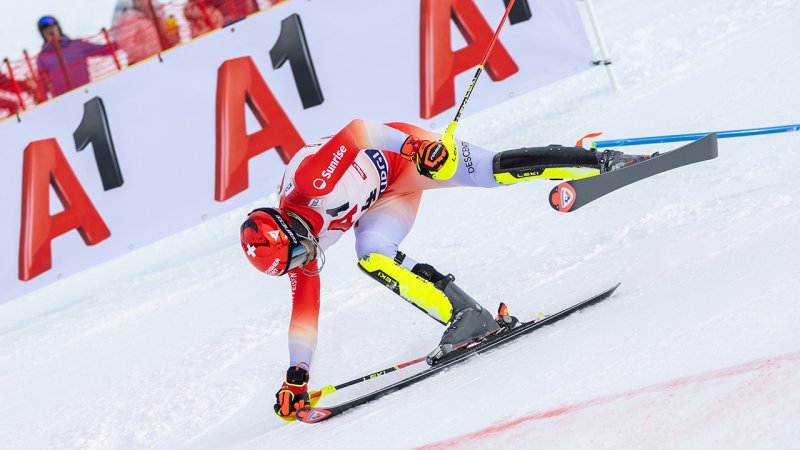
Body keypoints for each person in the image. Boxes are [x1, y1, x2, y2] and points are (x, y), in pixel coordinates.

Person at [238, 120, 650, 420]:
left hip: (404, 155)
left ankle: (603, 161)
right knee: (372, 254)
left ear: (290, 228)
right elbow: (304, 310)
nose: (306, 261)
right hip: (384, 199)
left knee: (488, 172)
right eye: (294, 264)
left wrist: (415, 145)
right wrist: (296, 376)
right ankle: (466, 316)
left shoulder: (310, 183)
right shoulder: (302, 248)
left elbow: (359, 131)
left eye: (298, 255)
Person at [35, 16, 116, 96]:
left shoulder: (76, 45)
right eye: (46, 31)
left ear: (58, 28)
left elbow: (103, 49)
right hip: (63, 100)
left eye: (52, 28)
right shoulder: (43, 58)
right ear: (43, 35)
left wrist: (119, 39)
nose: (50, 32)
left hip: (86, 92)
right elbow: (43, 85)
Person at [111, 0, 179, 65]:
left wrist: (173, 35)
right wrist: (147, 55)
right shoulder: (129, 17)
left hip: (162, 57)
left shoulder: (155, 9)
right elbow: (126, 43)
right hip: (143, 63)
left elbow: (167, 35)